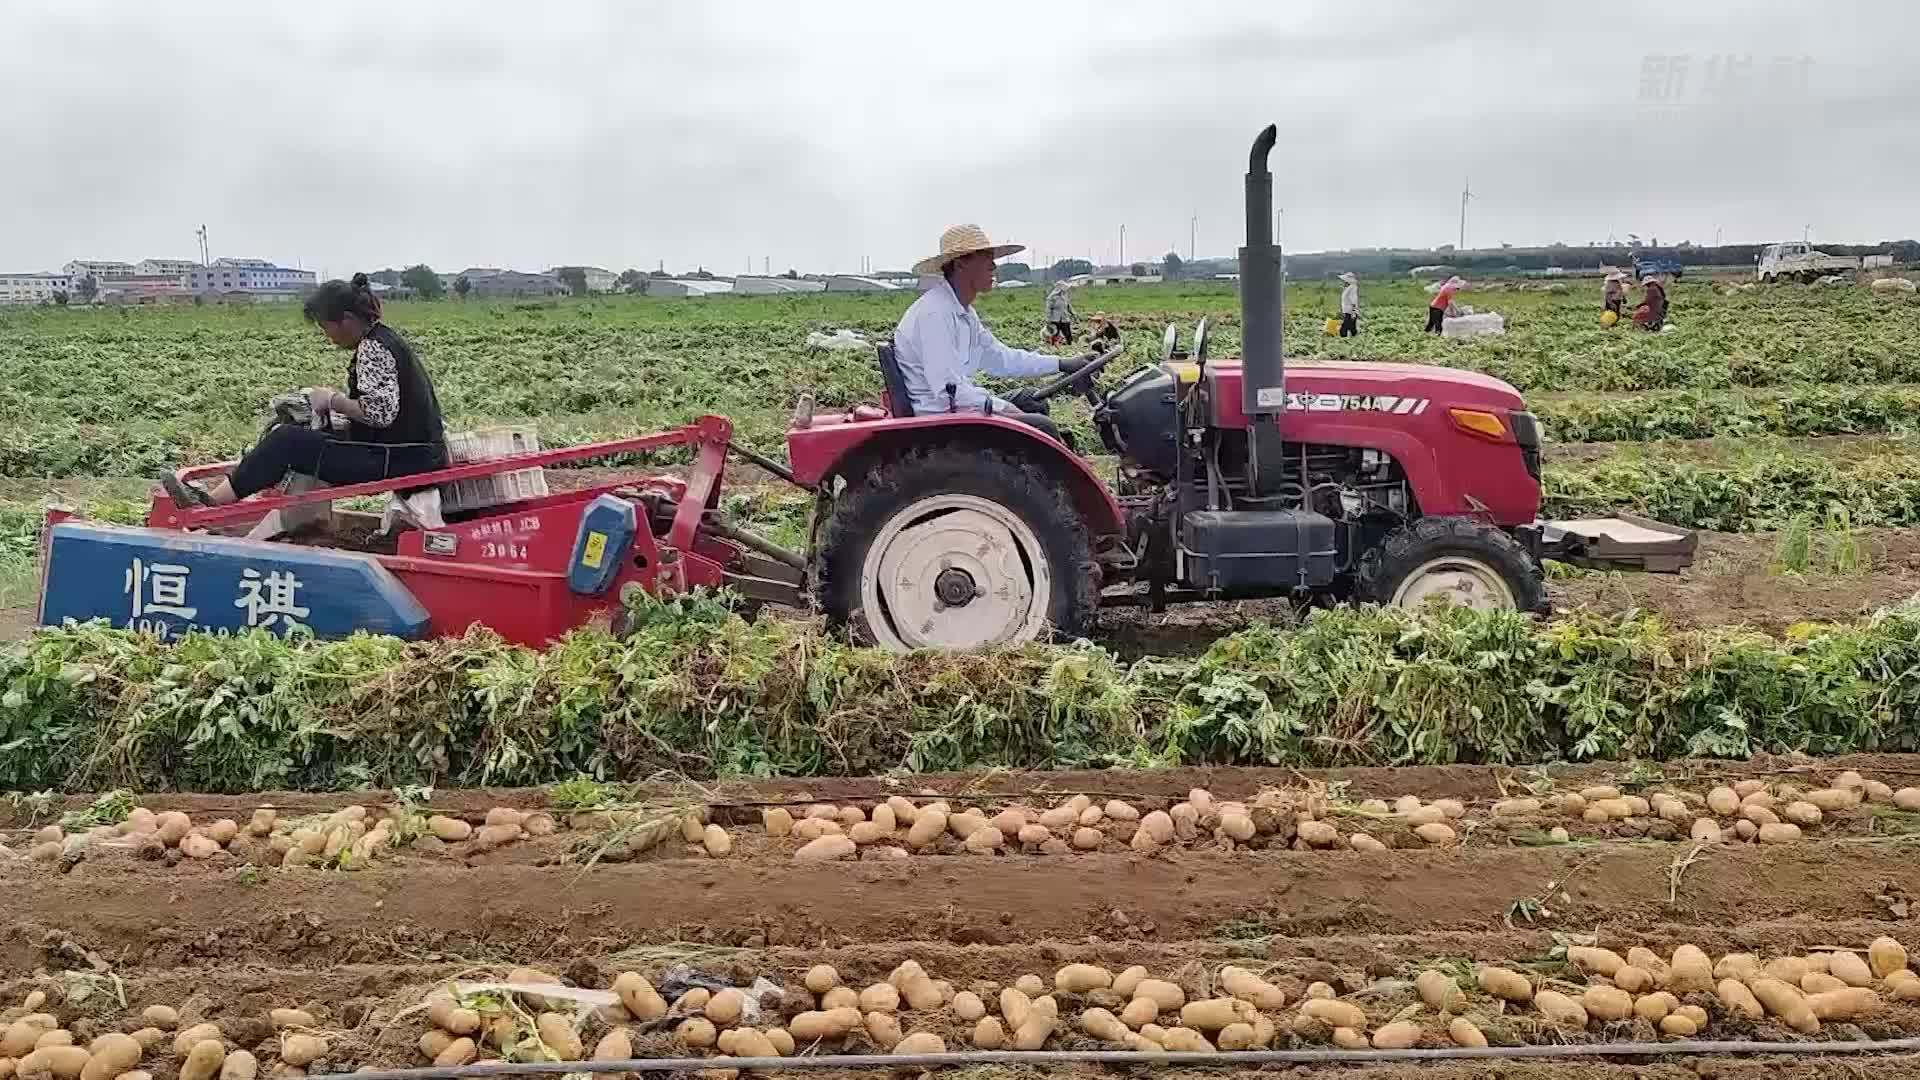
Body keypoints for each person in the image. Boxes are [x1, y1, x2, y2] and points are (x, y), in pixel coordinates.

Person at [160, 274, 448, 507]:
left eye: (326, 328)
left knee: (287, 440)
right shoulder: (383, 338)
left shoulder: (373, 347)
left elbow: (380, 414)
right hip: (412, 452)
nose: (328, 337)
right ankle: (234, 494)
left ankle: (209, 506)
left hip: (400, 459)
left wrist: (332, 400)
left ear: (346, 320)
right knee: (295, 433)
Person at [894, 224, 1091, 442]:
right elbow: (948, 393)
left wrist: (1062, 363)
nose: (994, 265)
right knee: (1042, 427)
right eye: (986, 257)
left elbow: (1001, 358)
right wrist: (1004, 408)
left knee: (1032, 401)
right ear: (960, 263)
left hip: (958, 407)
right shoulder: (934, 314)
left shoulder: (963, 313)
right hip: (942, 420)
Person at [1044, 280, 1075, 345]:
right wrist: (1048, 318)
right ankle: (1053, 346)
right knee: (1055, 333)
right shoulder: (1052, 297)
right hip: (1055, 319)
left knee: (1068, 333)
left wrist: (1073, 313)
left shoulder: (1065, 296)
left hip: (1064, 318)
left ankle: (1069, 345)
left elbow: (1069, 306)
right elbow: (1048, 309)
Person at [1338, 272, 1360, 336]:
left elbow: (1353, 300)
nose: (1344, 281)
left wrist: (1353, 311)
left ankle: (1343, 338)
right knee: (1351, 326)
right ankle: (1354, 337)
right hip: (1347, 310)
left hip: (1350, 310)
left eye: (1345, 280)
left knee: (1345, 327)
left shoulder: (1353, 287)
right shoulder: (1348, 287)